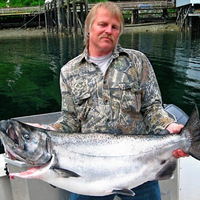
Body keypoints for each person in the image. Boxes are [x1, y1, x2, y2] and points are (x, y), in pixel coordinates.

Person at [47, 2, 188, 200]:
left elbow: (152, 108)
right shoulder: (69, 71)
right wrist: (51, 132)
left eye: (114, 27)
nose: (108, 31)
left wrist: (168, 125)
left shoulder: (137, 61)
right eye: (102, 24)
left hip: (140, 165)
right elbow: (71, 119)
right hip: (90, 170)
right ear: (89, 29)